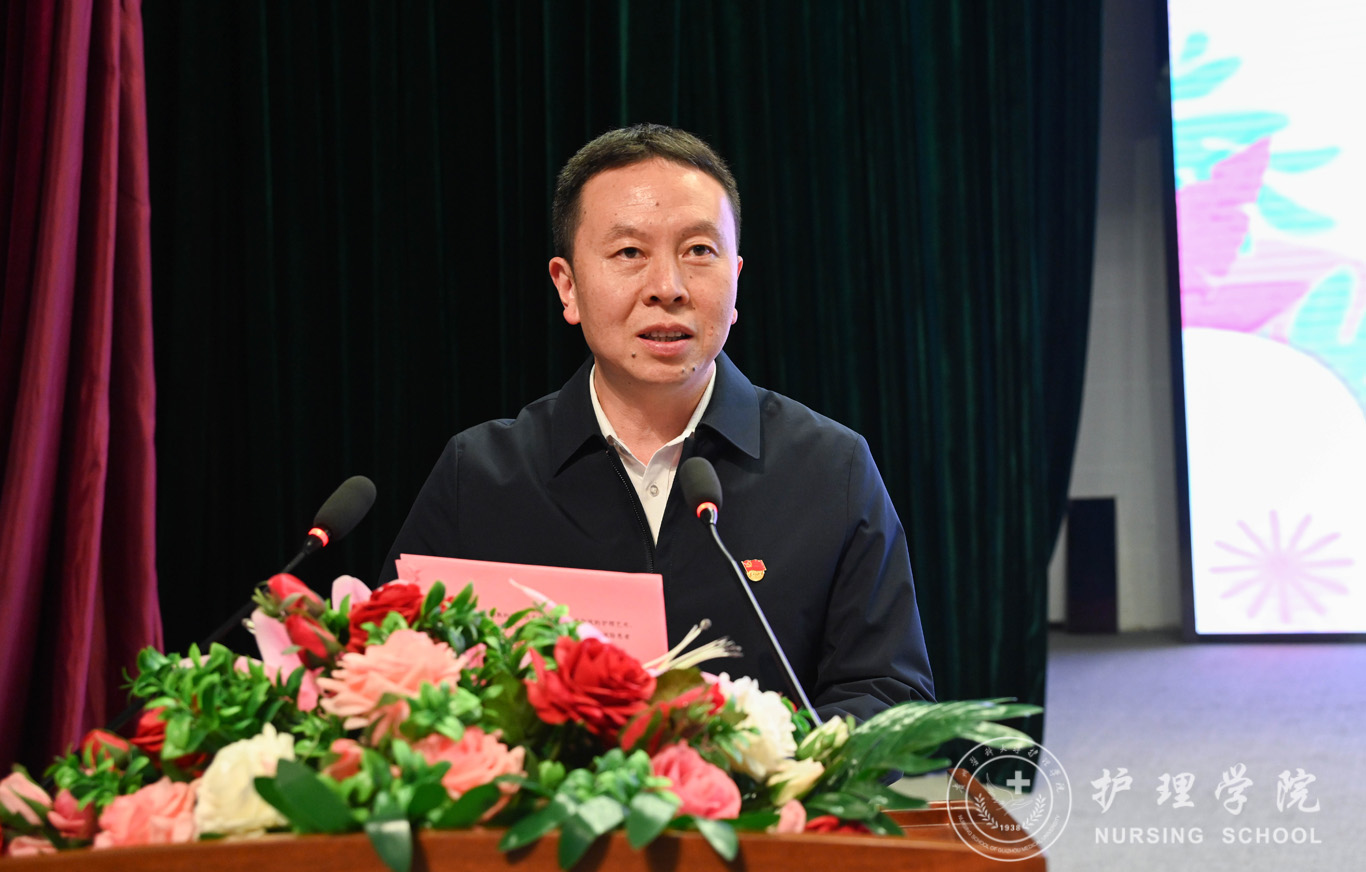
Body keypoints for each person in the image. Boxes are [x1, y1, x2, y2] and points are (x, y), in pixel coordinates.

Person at [380, 124, 933, 720]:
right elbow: (393, 671)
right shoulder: (479, 477)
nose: (667, 288)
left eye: (699, 251)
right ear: (568, 286)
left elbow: (886, 693)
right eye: (629, 253)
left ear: (736, 277)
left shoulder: (830, 469)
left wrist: (773, 761)